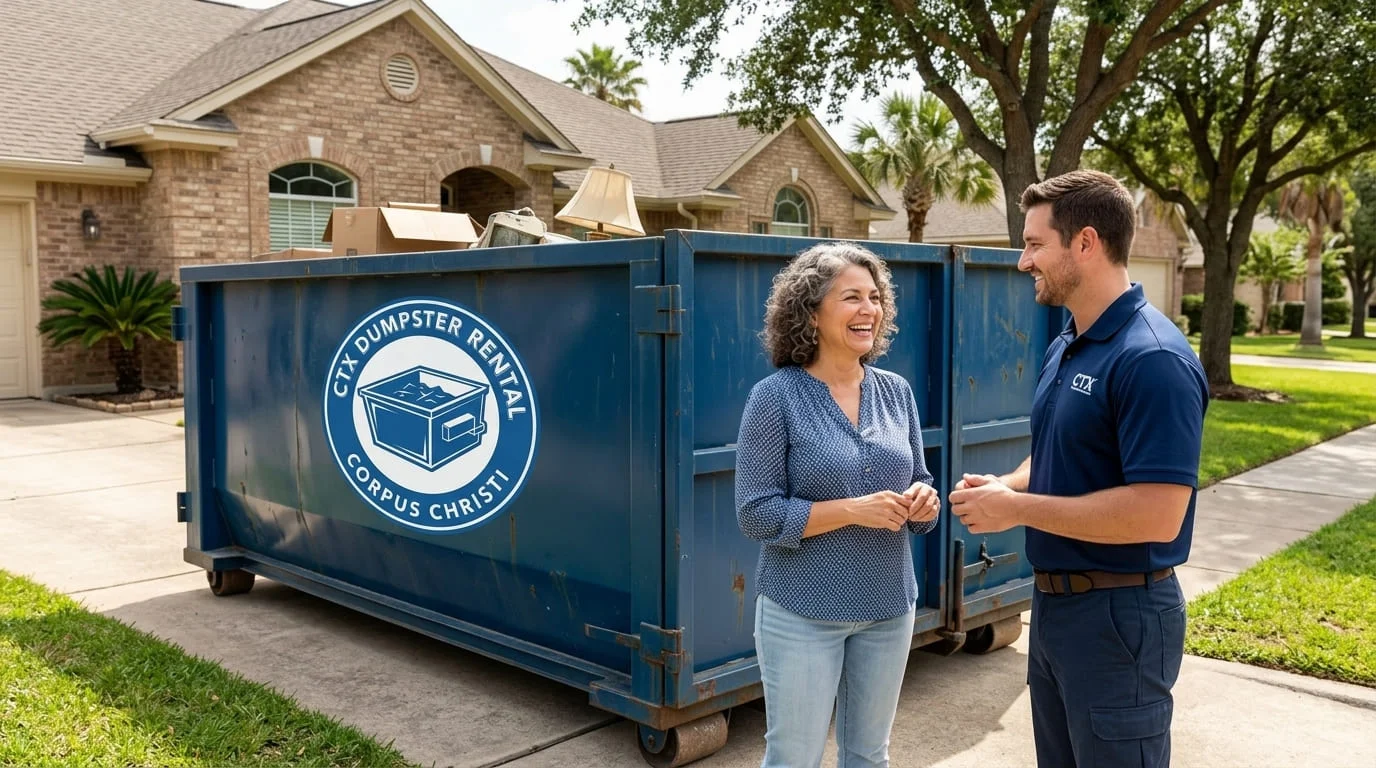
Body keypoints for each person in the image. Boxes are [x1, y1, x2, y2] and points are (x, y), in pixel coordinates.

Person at [948, 169, 1208, 768]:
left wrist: (1016, 511)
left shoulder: (1153, 359)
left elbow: (1158, 514)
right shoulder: (1071, 340)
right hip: (1059, 610)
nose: (1022, 261)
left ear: (1085, 243)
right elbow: (1062, 454)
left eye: (1036, 244)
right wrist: (1005, 486)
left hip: (1120, 618)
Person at [734, 241, 941, 768]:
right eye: (851, 297)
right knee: (793, 757)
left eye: (874, 298)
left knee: (870, 756)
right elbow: (755, 512)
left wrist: (924, 500)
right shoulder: (774, 397)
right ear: (811, 312)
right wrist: (851, 509)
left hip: (889, 607)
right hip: (801, 610)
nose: (868, 309)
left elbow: (917, 479)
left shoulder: (896, 392)